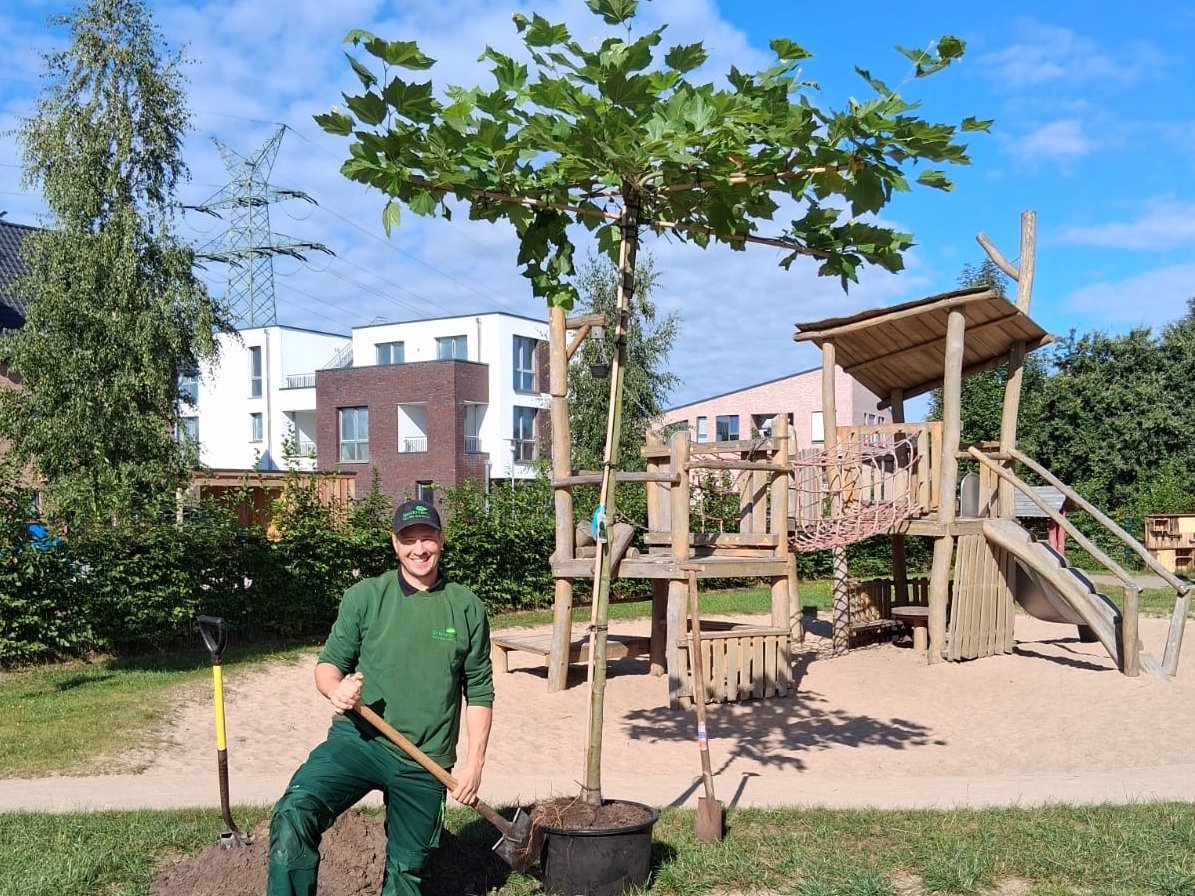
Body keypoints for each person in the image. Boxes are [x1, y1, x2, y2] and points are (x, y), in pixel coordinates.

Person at [266, 498, 494, 896]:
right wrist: (335, 689)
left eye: (427, 538)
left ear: (441, 540)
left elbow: (479, 690)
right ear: (394, 543)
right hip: (359, 741)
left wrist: (474, 765)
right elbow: (327, 666)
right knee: (293, 813)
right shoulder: (366, 597)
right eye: (409, 540)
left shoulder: (466, 607)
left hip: (426, 761)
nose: (419, 549)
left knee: (409, 869)